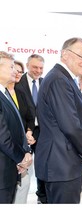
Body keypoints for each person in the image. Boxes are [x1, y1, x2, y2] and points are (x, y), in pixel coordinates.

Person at [34, 37, 82, 204]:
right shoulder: (59, 80)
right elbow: (70, 125)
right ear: (65, 54)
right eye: (81, 56)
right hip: (61, 163)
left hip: (63, 162)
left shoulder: (63, 78)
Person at [0, 51, 33, 203]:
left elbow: (16, 128)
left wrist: (24, 152)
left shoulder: (5, 92)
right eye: (11, 67)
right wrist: (21, 157)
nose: (15, 71)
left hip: (9, 169)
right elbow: (3, 137)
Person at [14, 54, 46, 203]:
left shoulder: (46, 83)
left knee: (42, 163)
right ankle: (17, 200)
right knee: (21, 164)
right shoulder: (17, 84)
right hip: (23, 131)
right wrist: (27, 130)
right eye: (35, 67)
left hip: (42, 132)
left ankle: (42, 196)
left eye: (41, 68)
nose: (38, 70)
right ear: (27, 66)